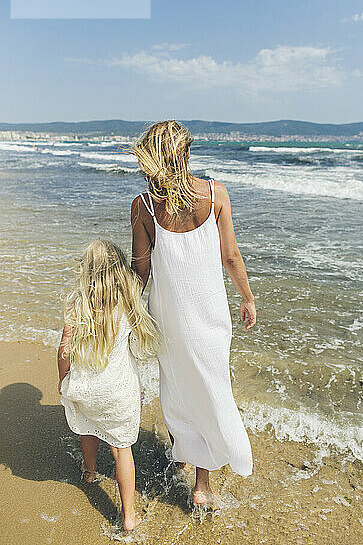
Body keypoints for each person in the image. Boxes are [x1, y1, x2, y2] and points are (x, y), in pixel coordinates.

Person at [130, 120, 256, 508]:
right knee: (210, 388)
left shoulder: (145, 206)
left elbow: (140, 271)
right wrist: (247, 298)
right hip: (210, 317)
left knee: (179, 389)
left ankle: (183, 455)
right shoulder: (216, 195)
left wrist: (124, 313)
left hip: (169, 319)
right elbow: (230, 256)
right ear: (185, 153)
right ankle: (203, 485)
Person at [57, 239, 159, 531]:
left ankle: (90, 473)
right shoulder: (128, 302)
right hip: (118, 391)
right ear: (119, 269)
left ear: (87, 271)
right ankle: (129, 516)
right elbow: (141, 338)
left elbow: (64, 350)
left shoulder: (78, 304)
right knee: (121, 449)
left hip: (86, 388)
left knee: (88, 427)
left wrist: (62, 379)